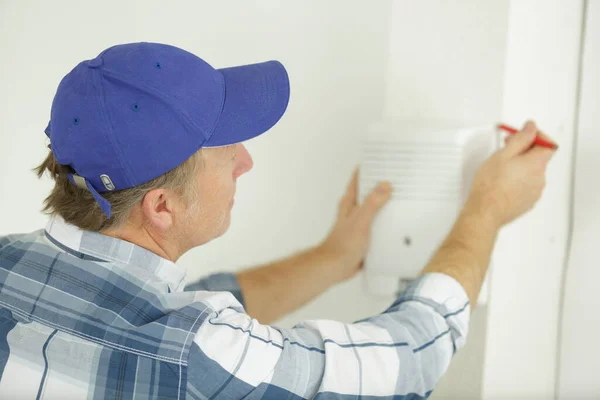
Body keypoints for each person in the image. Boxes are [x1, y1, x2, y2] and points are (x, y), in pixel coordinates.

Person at [0, 42, 555, 399]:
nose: (245, 160)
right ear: (161, 206)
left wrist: (333, 259)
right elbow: (409, 360)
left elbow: (159, 308)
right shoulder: (200, 355)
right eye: (223, 148)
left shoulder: (9, 265)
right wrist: (486, 210)